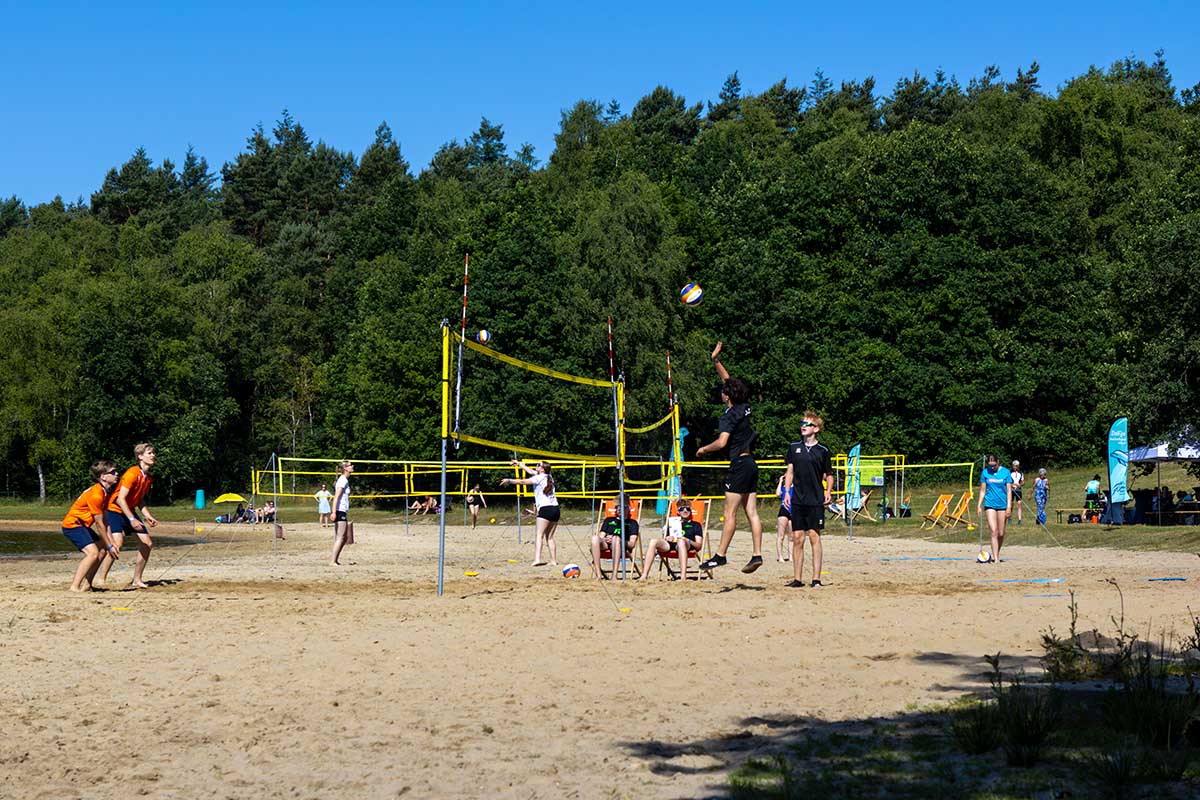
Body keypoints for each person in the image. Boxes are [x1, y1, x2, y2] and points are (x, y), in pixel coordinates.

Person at [696, 342, 765, 574]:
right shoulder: (744, 407)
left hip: (739, 465)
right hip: (751, 463)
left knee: (729, 513)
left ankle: (720, 555)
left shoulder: (727, 416)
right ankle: (757, 554)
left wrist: (704, 449)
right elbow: (729, 382)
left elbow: (722, 442)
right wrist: (716, 360)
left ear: (727, 396)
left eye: (723, 391)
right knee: (752, 512)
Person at [96, 442, 158, 589]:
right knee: (117, 543)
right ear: (140, 456)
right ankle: (101, 579)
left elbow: (139, 500)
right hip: (115, 510)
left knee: (147, 544)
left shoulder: (148, 477)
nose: (153, 455)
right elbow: (119, 498)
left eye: (153, 453)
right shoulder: (132, 473)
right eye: (150, 453)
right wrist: (131, 519)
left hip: (128, 510)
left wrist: (148, 516)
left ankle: (137, 579)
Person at [783, 412, 834, 587]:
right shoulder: (793, 447)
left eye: (808, 423)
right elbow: (790, 472)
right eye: (802, 423)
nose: (803, 426)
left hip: (815, 498)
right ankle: (797, 579)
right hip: (797, 498)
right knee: (797, 537)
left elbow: (829, 474)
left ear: (816, 428)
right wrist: (787, 492)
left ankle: (816, 579)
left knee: (814, 536)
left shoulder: (823, 451)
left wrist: (828, 491)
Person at [61, 460, 122, 592]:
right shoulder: (96, 495)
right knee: (93, 553)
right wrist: (110, 545)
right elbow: (99, 524)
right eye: (113, 472)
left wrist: (112, 542)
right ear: (103, 476)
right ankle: (74, 586)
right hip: (73, 525)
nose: (117, 474)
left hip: (81, 525)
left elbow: (105, 520)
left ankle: (87, 585)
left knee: (102, 549)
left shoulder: (105, 491)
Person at [500, 460, 559, 566]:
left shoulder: (538, 478)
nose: (536, 466)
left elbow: (523, 482)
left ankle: (537, 559)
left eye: (538, 465)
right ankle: (553, 561)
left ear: (542, 469)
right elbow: (530, 471)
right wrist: (519, 464)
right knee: (549, 537)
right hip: (556, 509)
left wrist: (509, 480)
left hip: (545, 509)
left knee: (539, 535)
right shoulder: (549, 476)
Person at [638, 499, 705, 580]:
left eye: (687, 509)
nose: (685, 511)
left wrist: (687, 540)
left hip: (686, 545)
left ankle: (683, 577)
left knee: (681, 542)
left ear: (691, 511)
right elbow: (666, 539)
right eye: (681, 509)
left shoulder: (695, 525)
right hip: (671, 545)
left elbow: (699, 546)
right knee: (653, 541)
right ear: (678, 511)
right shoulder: (673, 523)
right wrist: (667, 538)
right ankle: (644, 575)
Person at [589, 499, 640, 580]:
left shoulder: (632, 523)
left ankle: (614, 575)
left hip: (621, 545)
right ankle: (598, 575)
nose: (619, 509)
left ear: (628, 509)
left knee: (615, 539)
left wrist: (619, 539)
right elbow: (601, 536)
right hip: (606, 544)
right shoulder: (608, 520)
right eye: (617, 507)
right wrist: (605, 539)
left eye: (622, 507)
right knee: (595, 538)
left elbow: (632, 544)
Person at [977, 455, 1013, 563]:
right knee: (993, 531)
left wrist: (1009, 507)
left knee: (1001, 533)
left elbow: (1009, 491)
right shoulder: (985, 472)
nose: (992, 468)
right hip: (990, 504)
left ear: (998, 462)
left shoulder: (1006, 472)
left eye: (994, 465)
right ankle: (996, 558)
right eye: (990, 465)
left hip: (1002, 505)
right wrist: (979, 505)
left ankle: (996, 552)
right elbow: (983, 490)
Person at [330, 461, 355, 566]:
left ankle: (335, 560)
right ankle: (332, 561)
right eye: (350, 465)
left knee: (342, 537)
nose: (352, 466)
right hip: (339, 510)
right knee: (341, 537)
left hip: (341, 510)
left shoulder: (344, 480)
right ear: (345, 468)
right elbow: (336, 497)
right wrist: (334, 512)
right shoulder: (342, 480)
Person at [774, 474, 791, 562]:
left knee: (791, 537)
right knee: (781, 536)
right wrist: (780, 481)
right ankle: (780, 557)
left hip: (793, 511)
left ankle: (791, 556)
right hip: (784, 511)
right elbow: (777, 493)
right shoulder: (784, 487)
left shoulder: (795, 486)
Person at [1010, 460, 1024, 525]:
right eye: (1014, 466)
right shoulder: (1009, 473)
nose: (1015, 467)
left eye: (1016, 466)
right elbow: (1007, 482)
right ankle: (1009, 517)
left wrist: (1020, 485)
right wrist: (1011, 485)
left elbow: (1023, 482)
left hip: (1018, 490)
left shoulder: (1020, 473)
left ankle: (1019, 519)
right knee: (1011, 504)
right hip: (1011, 490)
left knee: (1019, 504)